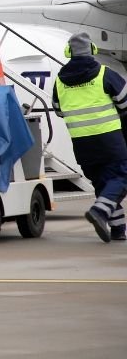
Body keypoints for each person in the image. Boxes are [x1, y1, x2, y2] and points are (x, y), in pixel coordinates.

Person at [53, 32, 127, 242]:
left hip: (81, 143)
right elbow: (124, 102)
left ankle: (118, 229)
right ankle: (100, 212)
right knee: (121, 177)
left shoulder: (60, 80)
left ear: (68, 52)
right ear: (93, 49)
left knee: (103, 183)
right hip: (109, 139)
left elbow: (58, 109)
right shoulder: (105, 74)